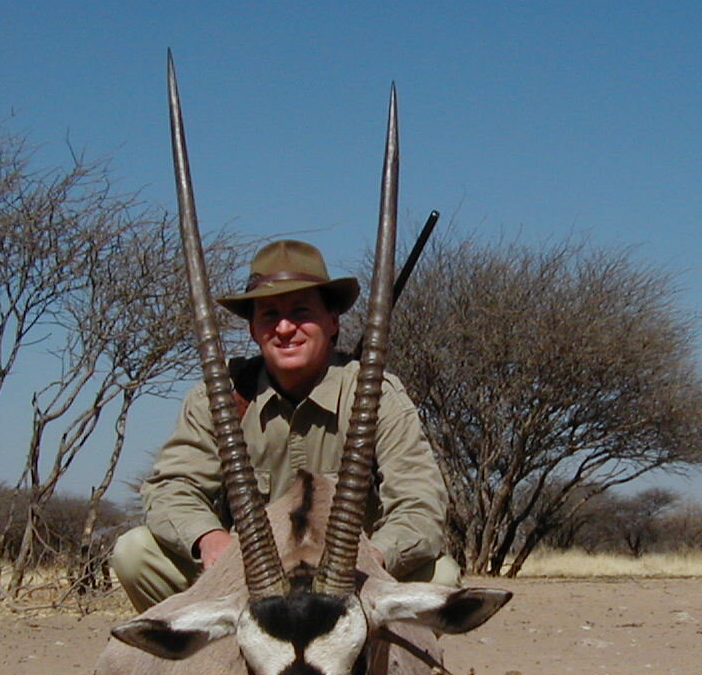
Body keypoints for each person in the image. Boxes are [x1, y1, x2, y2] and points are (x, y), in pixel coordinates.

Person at [111, 239, 455, 612]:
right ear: (252, 329)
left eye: (301, 312)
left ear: (333, 320)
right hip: (246, 576)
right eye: (269, 314)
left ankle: (371, 667)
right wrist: (210, 540)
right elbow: (173, 488)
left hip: (346, 581)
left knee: (441, 577)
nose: (285, 328)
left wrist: (373, 555)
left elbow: (419, 501)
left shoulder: (377, 395)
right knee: (135, 553)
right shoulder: (219, 396)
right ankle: (212, 664)